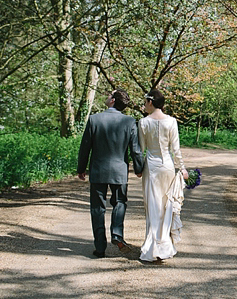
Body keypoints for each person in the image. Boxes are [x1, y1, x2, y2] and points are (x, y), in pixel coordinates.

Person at [77, 89, 144, 258]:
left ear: (113, 100)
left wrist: (81, 168)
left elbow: (85, 147)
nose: (106, 97)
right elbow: (135, 150)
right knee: (120, 202)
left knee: (97, 208)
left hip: (98, 170)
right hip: (119, 171)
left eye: (109, 95)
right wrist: (138, 168)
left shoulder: (94, 119)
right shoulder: (130, 122)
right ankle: (116, 234)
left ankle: (100, 247)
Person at [138, 88, 188, 262]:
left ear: (151, 102)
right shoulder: (171, 121)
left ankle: (152, 246)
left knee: (153, 206)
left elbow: (141, 149)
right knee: (166, 205)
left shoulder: (143, 123)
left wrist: (138, 167)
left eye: (145, 102)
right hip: (167, 166)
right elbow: (176, 149)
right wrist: (182, 168)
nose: (144, 105)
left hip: (151, 167)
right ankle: (164, 244)